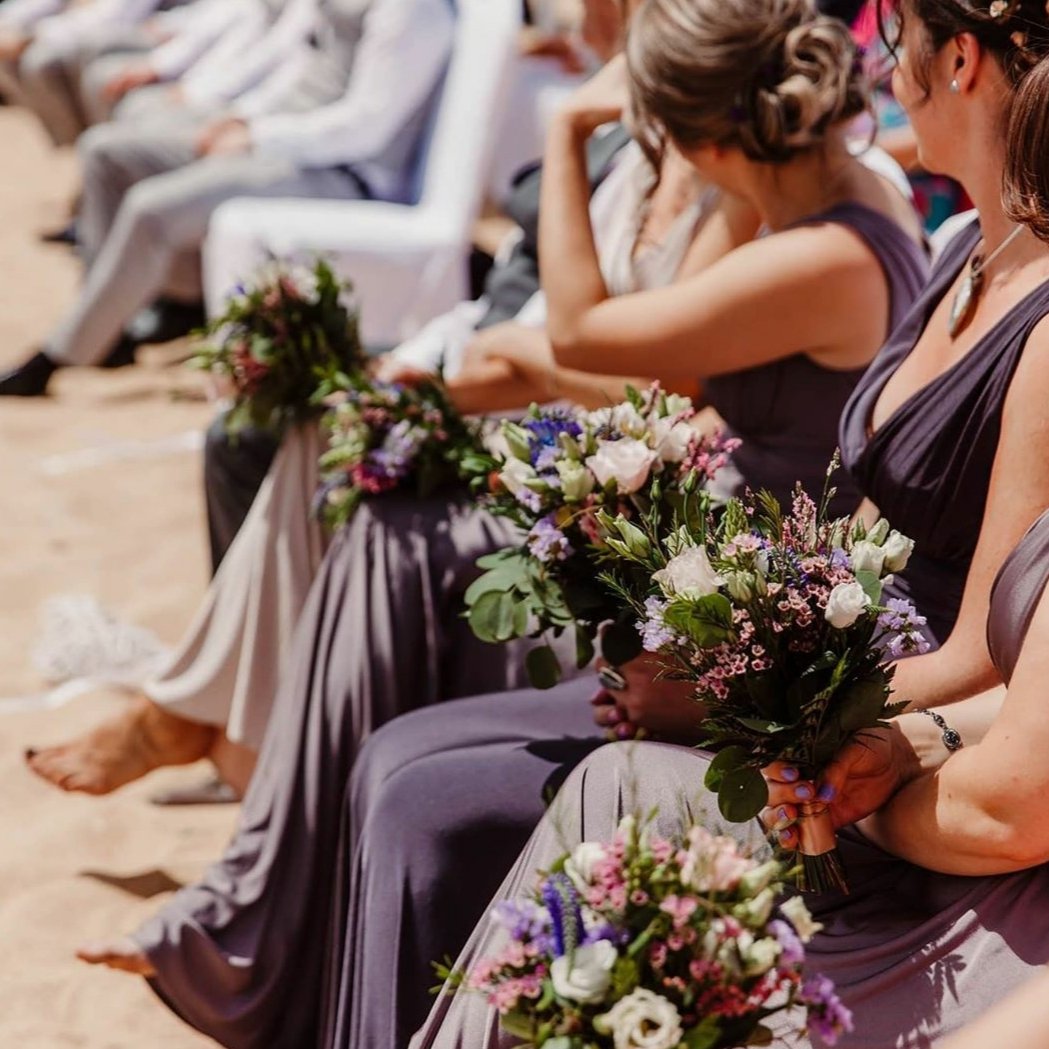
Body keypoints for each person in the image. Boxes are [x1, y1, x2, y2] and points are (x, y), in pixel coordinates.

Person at [70, 8, 927, 1049]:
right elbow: (704, 404)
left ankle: (250, 906)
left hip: (732, 627)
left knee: (411, 763)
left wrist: (563, 130)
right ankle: (271, 929)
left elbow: (585, 335)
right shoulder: (792, 223)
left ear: (689, 133)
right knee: (391, 746)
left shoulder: (825, 249)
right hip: (702, 584)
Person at [411, 0, 1049, 1039]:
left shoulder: (1021, 315)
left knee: (524, 798)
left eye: (896, 45)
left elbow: (989, 671)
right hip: (877, 702)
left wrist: (769, 718)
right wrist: (735, 657)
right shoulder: (958, 255)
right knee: (421, 770)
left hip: (913, 757)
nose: (884, 77)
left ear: (960, 60)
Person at [0, 0, 457, 397]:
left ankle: (59, 355)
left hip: (340, 173)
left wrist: (257, 134)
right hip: (284, 140)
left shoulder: (411, 10)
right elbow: (294, 67)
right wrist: (238, 117)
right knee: (107, 153)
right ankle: (110, 324)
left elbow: (366, 127)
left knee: (152, 209)